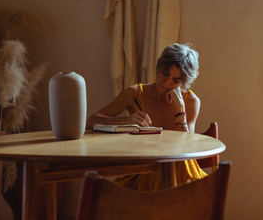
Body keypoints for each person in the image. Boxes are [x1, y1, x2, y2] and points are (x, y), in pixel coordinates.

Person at [86, 43, 206, 191]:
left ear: (183, 82)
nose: (167, 82)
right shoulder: (135, 94)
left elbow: (187, 148)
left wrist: (180, 108)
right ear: (158, 67)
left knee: (175, 162)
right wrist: (125, 121)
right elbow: (90, 121)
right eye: (165, 73)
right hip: (144, 172)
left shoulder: (191, 102)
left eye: (176, 80)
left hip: (182, 173)